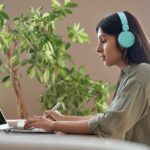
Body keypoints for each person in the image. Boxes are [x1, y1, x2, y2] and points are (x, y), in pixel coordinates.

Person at [24, 11, 150, 146]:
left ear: (125, 39)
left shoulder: (141, 74)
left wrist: (53, 126)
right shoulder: (129, 74)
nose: (98, 49)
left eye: (103, 40)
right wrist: (62, 118)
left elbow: (109, 124)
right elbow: (108, 117)